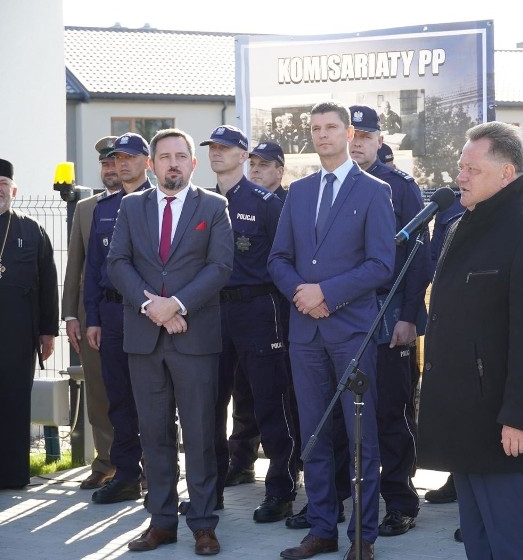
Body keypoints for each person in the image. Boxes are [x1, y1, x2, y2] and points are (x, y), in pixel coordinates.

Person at [418, 121, 523, 559]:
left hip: (506, 426)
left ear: (507, 174)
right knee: (480, 542)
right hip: (466, 419)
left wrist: (522, 416)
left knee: (515, 543)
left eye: (471, 169)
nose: (459, 177)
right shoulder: (462, 225)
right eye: (460, 167)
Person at [268, 100, 395, 560]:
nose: (322, 135)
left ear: (349, 134)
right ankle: (322, 528)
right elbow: (277, 258)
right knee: (315, 434)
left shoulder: (374, 191)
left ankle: (363, 538)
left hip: (351, 333)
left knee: (361, 438)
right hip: (306, 335)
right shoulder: (298, 193)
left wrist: (327, 292)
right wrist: (302, 293)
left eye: (330, 128)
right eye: (315, 128)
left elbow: (382, 263)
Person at [107, 128, 233, 555]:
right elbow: (117, 262)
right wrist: (153, 308)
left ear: (193, 164)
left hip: (194, 338)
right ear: (152, 164)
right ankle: (161, 522)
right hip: (144, 339)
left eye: (181, 156)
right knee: (153, 434)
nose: (173, 163)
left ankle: (203, 524)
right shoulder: (130, 206)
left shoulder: (214, 206)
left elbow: (220, 267)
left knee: (199, 434)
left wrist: (176, 305)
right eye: (165, 157)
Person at [198, 125, 299, 524]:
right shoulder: (201, 202)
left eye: (225, 148)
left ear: (243, 156)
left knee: (270, 402)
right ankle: (213, 490)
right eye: (211, 148)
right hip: (210, 313)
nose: (216, 154)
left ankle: (281, 489)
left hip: (258, 310)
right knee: (210, 404)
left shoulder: (265, 203)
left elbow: (284, 261)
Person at [349, 105, 430, 537]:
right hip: (344, 317)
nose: (358, 141)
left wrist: (411, 318)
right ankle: (349, 501)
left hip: (390, 315)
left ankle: (399, 501)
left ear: (381, 140)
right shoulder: (336, 185)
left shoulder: (400, 188)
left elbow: (420, 258)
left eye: (366, 134)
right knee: (348, 415)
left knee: (392, 414)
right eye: (352, 133)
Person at [84, 132, 152, 505]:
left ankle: (160, 476)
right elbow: (95, 267)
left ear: (147, 161)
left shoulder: (159, 203)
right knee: (120, 399)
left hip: (147, 313)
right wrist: (92, 317)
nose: (122, 164)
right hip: (111, 314)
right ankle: (127, 474)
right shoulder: (104, 208)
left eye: (130, 157)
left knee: (155, 399)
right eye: (116, 158)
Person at [62, 136, 118, 491]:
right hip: (92, 312)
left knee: (142, 391)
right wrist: (70, 315)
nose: (110, 169)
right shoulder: (86, 208)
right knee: (98, 390)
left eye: (115, 162)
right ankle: (106, 461)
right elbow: (75, 265)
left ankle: (143, 462)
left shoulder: (146, 202)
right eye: (105, 164)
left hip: (136, 311)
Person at [0, 158, 59, 490]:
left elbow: (48, 283)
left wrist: (48, 331)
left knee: (14, 401)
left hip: (18, 334)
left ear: (14, 190)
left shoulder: (31, 230)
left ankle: (12, 475)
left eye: (3, 184)